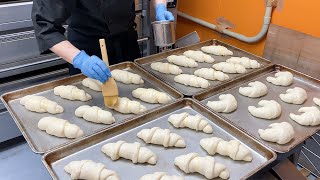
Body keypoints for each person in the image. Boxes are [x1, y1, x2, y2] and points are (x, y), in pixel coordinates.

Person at [32, 0, 174, 83]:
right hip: (89, 50)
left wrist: (160, 7)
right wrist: (80, 60)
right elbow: (45, 27)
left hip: (127, 43)